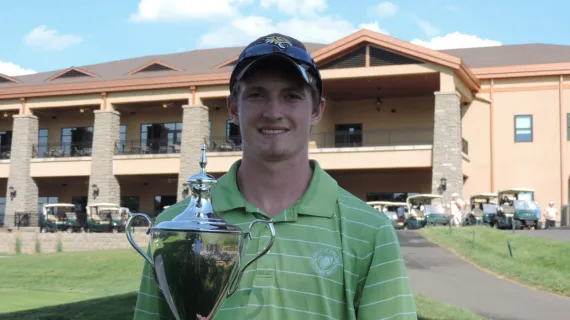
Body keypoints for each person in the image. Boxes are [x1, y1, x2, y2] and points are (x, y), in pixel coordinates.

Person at [132, 33, 417, 319]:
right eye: (256, 95)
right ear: (233, 108)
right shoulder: (174, 227)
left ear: (317, 110)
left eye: (291, 96)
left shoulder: (369, 230)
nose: (273, 112)